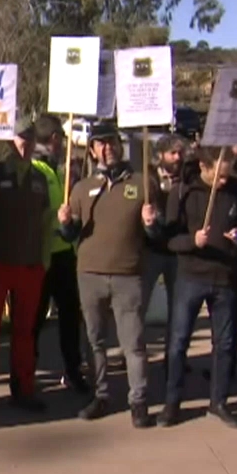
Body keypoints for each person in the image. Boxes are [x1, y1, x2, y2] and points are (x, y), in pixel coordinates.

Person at [58, 122, 159, 428]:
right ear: (92, 150)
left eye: (111, 141)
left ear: (120, 144)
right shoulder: (81, 187)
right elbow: (70, 234)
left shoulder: (143, 183)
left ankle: (138, 401)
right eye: (100, 143)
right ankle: (101, 394)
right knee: (95, 340)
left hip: (128, 275)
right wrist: (65, 223)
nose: (107, 148)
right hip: (89, 274)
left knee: (133, 343)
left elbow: (156, 235)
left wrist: (151, 223)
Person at [158, 145, 237, 428]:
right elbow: (169, 240)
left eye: (228, 175)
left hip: (225, 278)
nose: (224, 181)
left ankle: (218, 401)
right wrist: (191, 241)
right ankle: (172, 403)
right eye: (219, 176)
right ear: (203, 168)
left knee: (224, 344)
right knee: (178, 343)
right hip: (191, 276)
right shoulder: (184, 193)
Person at [0, 121, 52, 414]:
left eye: (30, 139)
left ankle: (24, 389)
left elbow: (46, 222)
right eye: (20, 138)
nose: (25, 144)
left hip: (29, 266)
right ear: (9, 141)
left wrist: (44, 261)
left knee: (24, 332)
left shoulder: (40, 179)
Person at [21, 114, 88, 394]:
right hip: (41, 257)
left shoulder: (60, 169)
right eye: (62, 139)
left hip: (65, 256)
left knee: (70, 318)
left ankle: (73, 371)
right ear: (56, 139)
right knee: (34, 319)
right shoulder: (34, 169)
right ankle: (26, 373)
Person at [144, 134, 186, 375]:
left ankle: (174, 358)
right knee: (140, 304)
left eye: (180, 153)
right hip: (152, 250)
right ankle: (136, 355)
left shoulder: (186, 179)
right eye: (173, 153)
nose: (178, 157)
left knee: (177, 309)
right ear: (161, 155)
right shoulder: (148, 178)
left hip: (177, 250)